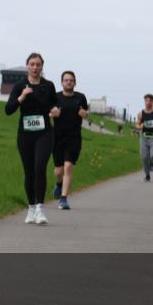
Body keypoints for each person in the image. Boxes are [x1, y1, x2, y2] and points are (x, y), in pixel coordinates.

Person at [5, 52, 60, 224]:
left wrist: (56, 110)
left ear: (42, 66)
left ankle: (39, 209)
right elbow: (8, 110)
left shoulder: (48, 85)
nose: (35, 67)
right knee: (29, 172)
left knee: (39, 167)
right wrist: (21, 97)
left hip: (44, 133)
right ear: (27, 65)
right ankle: (30, 208)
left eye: (38, 64)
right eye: (32, 64)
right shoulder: (19, 85)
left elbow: (55, 104)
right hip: (25, 135)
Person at [52, 70, 88, 210]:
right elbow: (49, 112)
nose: (68, 82)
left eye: (71, 80)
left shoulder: (80, 97)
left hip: (74, 138)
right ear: (62, 82)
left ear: (75, 82)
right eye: (66, 80)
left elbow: (86, 113)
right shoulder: (55, 97)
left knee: (68, 166)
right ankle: (59, 184)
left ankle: (64, 198)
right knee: (58, 171)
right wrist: (52, 114)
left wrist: (84, 114)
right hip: (57, 138)